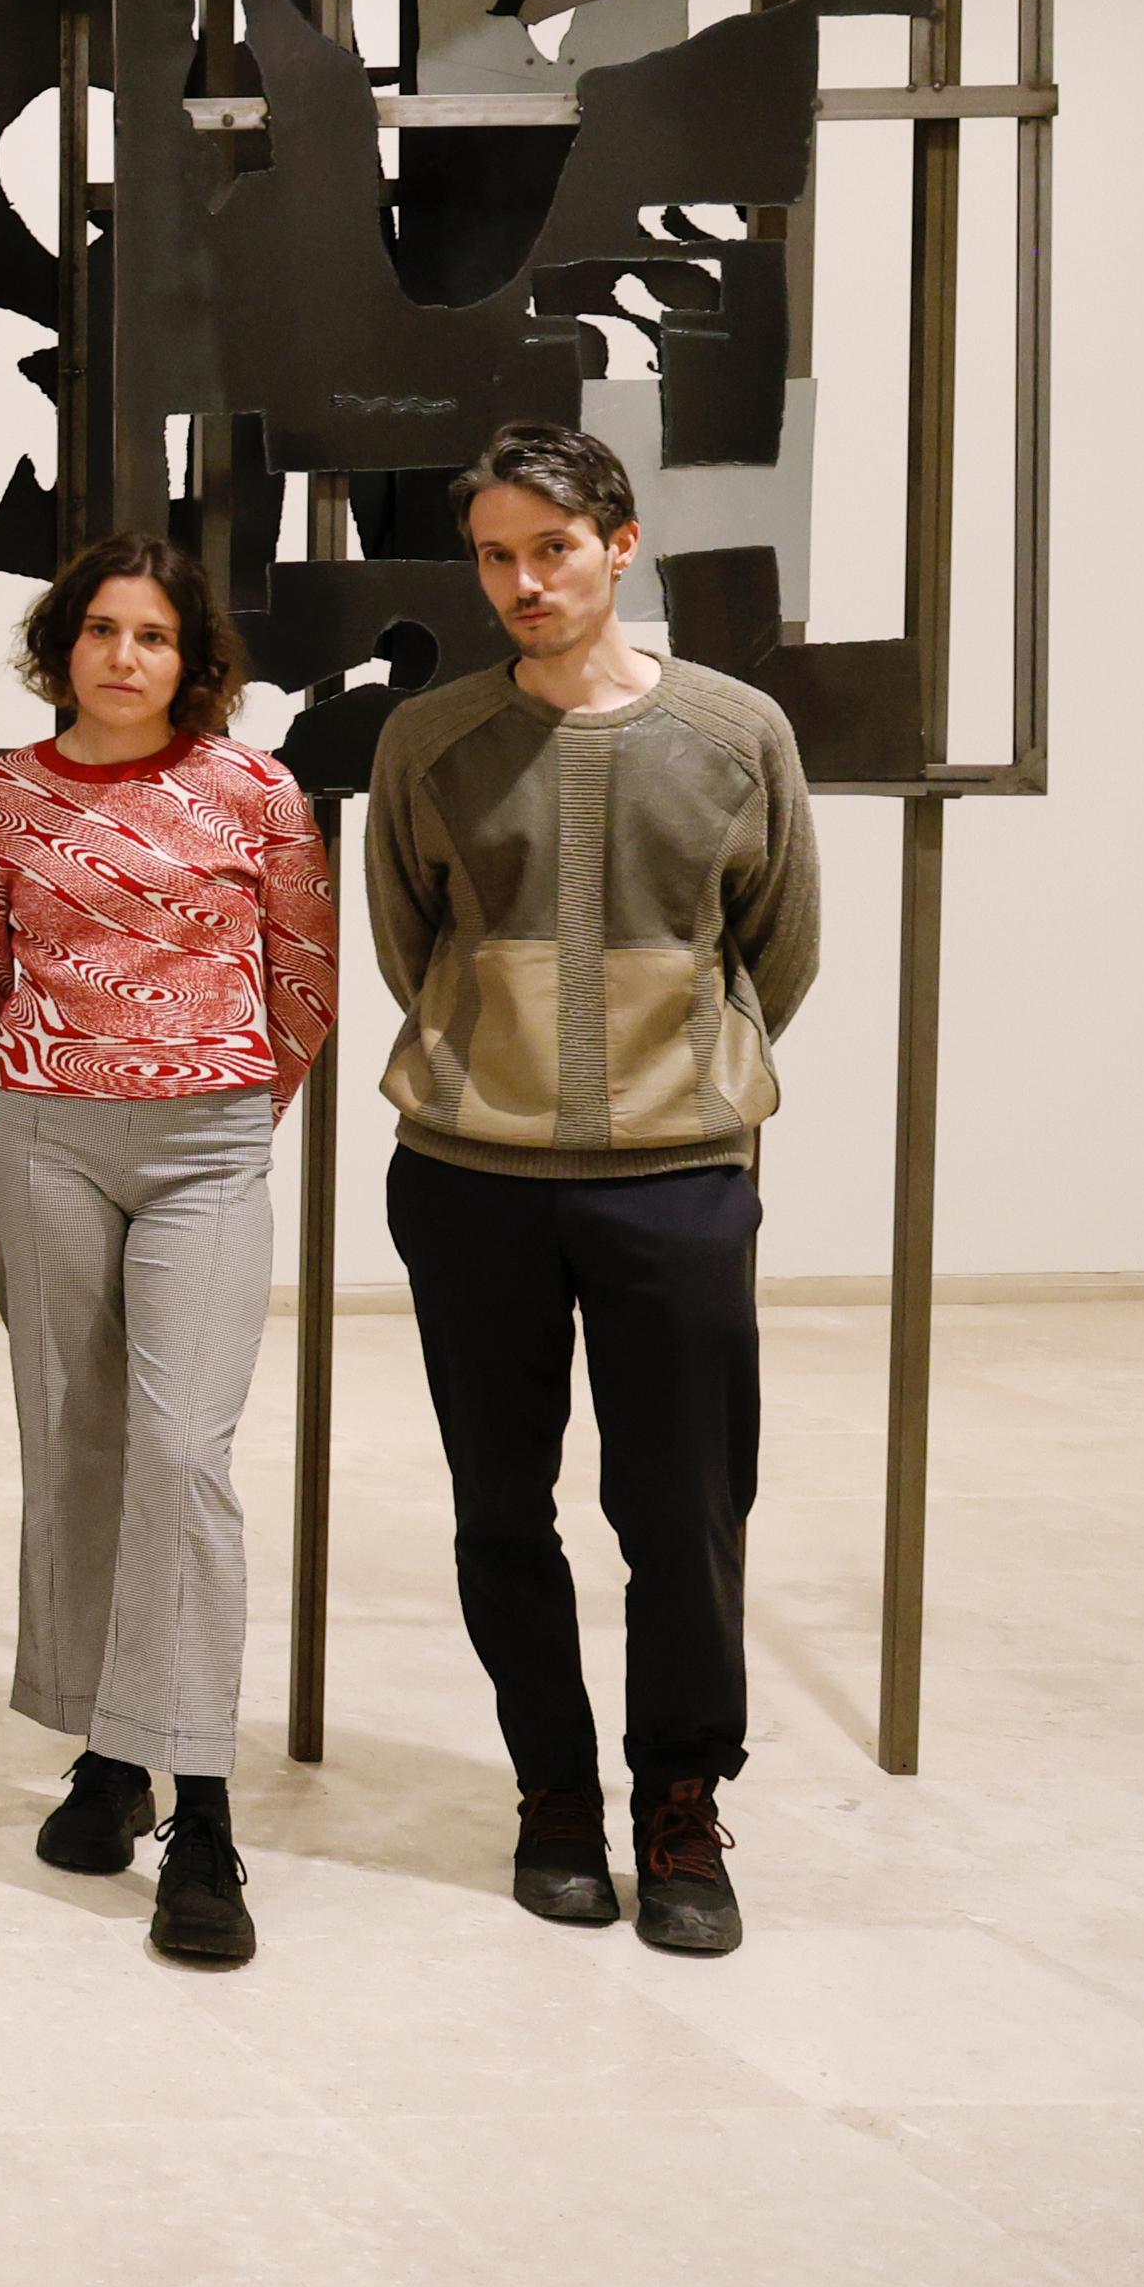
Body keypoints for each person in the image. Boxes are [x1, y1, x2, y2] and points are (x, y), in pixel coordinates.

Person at [369, 420, 817, 1955]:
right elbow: (412, 940)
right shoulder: (429, 740)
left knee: (684, 1506)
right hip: (469, 1175)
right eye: (495, 555)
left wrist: (669, 1079)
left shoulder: (737, 732)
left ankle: (680, 1800)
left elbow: (779, 948)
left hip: (677, 1178)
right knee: (501, 1505)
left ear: (619, 545)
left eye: (551, 549)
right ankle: (553, 1792)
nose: (523, 581)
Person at [0, 532, 332, 1968]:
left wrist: (219, 1105)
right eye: (101, 630)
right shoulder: (0, 800)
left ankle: (203, 1804)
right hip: (46, 1140)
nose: (124, 656)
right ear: (62, 647)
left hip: (208, 1149)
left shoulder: (257, 793)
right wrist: (36, 1115)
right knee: (76, 1442)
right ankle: (109, 1754)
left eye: (153, 635)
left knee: (182, 1451)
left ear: (192, 660)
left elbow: (304, 983)